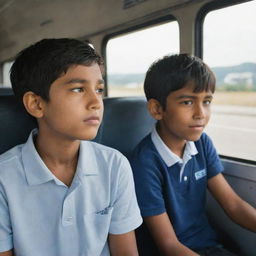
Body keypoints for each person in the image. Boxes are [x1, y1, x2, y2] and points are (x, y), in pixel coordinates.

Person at [0, 38, 142, 256]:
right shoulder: (4, 177)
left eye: (99, 89)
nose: (96, 102)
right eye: (78, 89)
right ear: (37, 104)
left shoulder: (114, 166)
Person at [130, 54, 256, 256]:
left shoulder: (202, 144)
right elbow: (168, 245)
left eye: (206, 101)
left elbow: (234, 205)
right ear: (157, 109)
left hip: (207, 246)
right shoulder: (145, 163)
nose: (201, 113)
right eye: (187, 102)